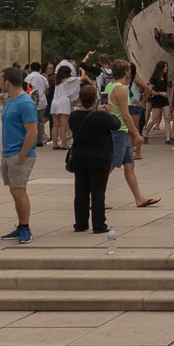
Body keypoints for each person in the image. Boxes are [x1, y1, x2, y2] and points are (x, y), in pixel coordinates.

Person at [105, 60, 160, 209]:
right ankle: (94, 197)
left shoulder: (109, 86)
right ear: (126, 72)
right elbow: (126, 115)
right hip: (118, 131)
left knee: (129, 165)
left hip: (118, 130)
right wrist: (136, 134)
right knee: (109, 166)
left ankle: (139, 198)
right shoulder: (121, 89)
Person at [67, 81, 119, 234]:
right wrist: (109, 112)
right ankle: (99, 224)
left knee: (81, 191)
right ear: (96, 100)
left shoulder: (74, 116)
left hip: (79, 156)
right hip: (98, 156)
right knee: (98, 191)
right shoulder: (101, 116)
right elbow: (115, 125)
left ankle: (80, 223)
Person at [0, 67, 40, 244]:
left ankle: (25, 227)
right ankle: (20, 225)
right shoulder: (10, 101)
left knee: (19, 191)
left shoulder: (25, 103)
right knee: (14, 191)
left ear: (7, 82)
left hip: (19, 153)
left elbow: (32, 131)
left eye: (1, 79)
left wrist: (23, 155)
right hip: (9, 152)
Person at [49, 61, 80, 150]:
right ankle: (63, 144)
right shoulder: (68, 80)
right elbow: (80, 78)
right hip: (63, 102)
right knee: (63, 125)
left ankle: (55, 144)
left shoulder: (57, 82)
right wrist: (82, 69)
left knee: (55, 125)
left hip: (55, 101)